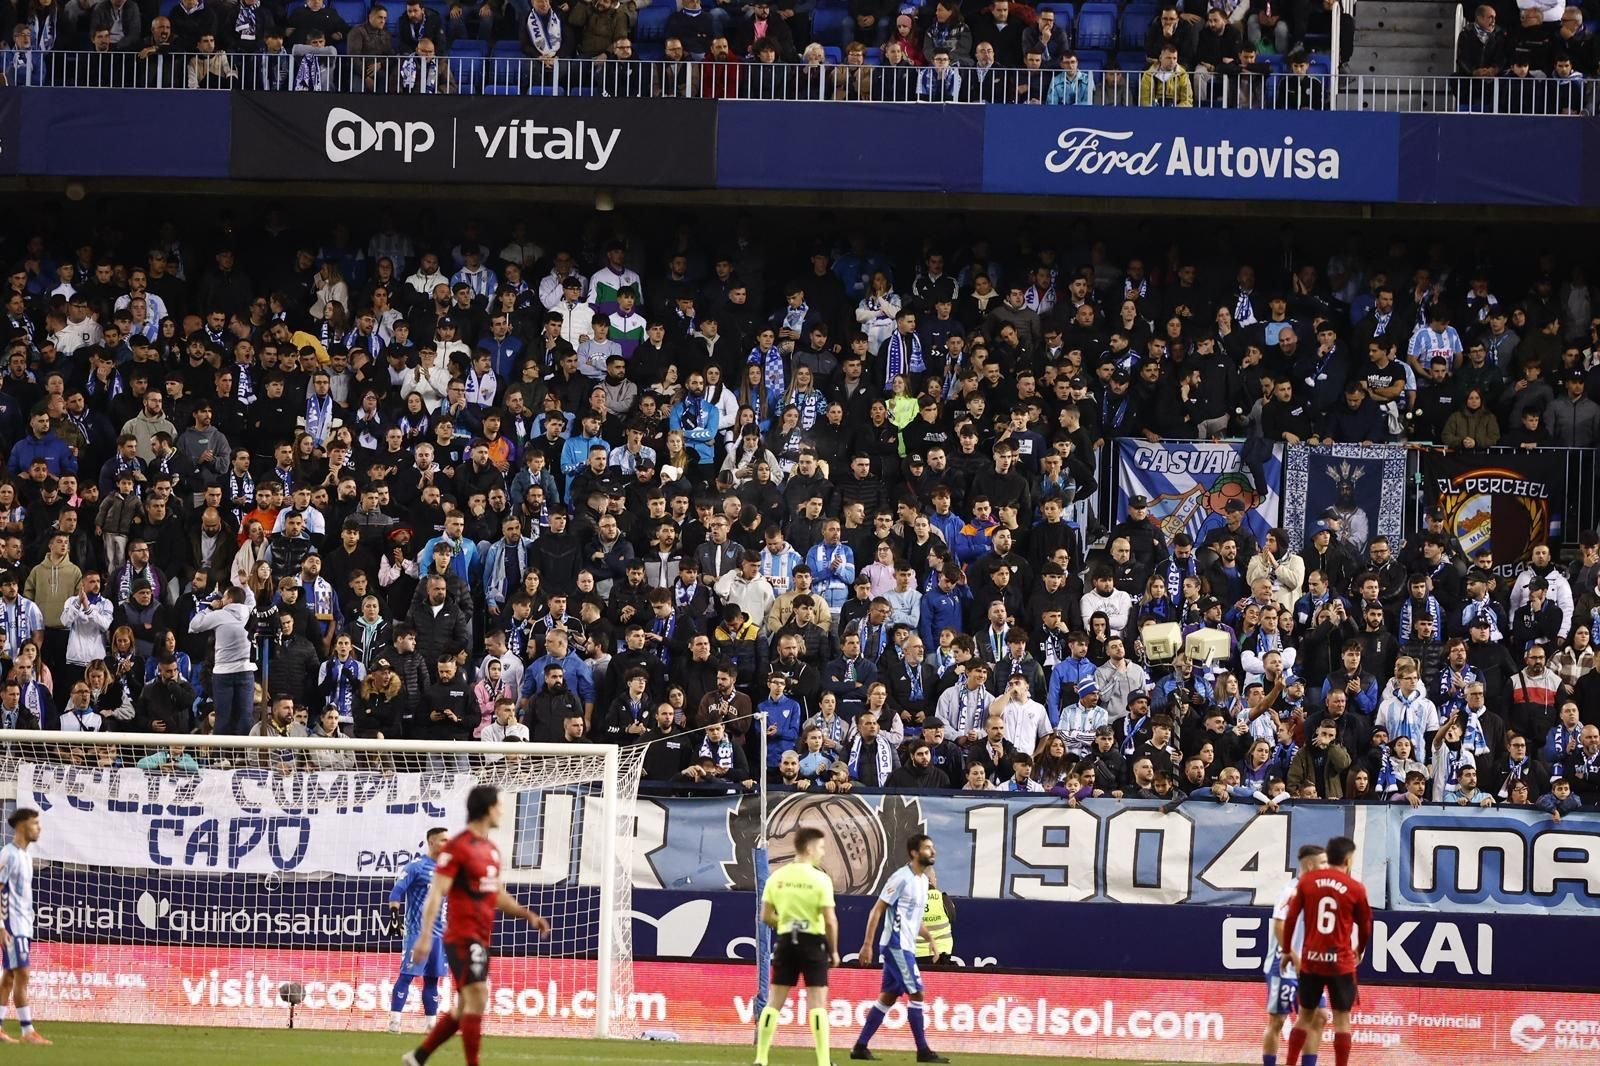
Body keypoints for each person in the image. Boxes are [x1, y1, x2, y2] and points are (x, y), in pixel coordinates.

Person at [403, 785, 551, 1066]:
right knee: (478, 996)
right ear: (487, 808)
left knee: (463, 1007)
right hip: (461, 936)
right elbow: (436, 892)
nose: (503, 811)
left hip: (481, 938)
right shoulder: (458, 847)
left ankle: (418, 1057)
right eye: (500, 805)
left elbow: (497, 894)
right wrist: (424, 936)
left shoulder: (492, 850)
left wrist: (526, 914)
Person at [851, 833, 948, 1064]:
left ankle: (860, 1046)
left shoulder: (924, 881)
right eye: (927, 848)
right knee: (917, 992)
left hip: (906, 945)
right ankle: (923, 1051)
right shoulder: (900, 878)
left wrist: (931, 940)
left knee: (888, 998)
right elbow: (877, 910)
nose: (932, 852)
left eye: (932, 848)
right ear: (914, 853)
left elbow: (913, 918)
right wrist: (867, 944)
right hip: (896, 945)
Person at [1281, 836, 1373, 1066]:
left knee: (1304, 1018)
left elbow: (1291, 918)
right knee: (1342, 1020)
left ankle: (1290, 1063)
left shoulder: (1308, 882)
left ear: (1328, 856)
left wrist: (1286, 950)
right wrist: (1359, 949)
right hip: (1341, 962)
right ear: (1348, 859)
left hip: (1312, 960)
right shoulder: (1355, 888)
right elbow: (1366, 926)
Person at [754, 825, 839, 1066]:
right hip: (813, 942)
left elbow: (766, 916)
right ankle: (823, 1062)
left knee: (774, 1002)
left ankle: (761, 1058)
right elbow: (831, 920)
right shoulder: (820, 879)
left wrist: (786, 923)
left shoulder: (777, 877)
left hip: (786, 941)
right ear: (810, 848)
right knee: (817, 1003)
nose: (823, 852)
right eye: (821, 847)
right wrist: (833, 950)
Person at [1263, 844, 1329, 1066]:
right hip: (1284, 965)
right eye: (1323, 862)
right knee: (1278, 1020)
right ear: (1310, 865)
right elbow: (1279, 926)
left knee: (1319, 1017)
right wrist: (1292, 955)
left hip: (1310, 967)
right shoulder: (1291, 891)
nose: (1327, 866)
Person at [387, 826, 449, 1034]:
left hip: (440, 936)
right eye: (443, 840)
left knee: (432, 980)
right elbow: (397, 891)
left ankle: (431, 1026)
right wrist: (394, 915)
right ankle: (394, 1022)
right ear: (431, 842)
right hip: (417, 933)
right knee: (407, 976)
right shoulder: (417, 866)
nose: (447, 844)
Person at [0, 808, 46, 1045]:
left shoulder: (26, 856)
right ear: (21, 826)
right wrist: (0, 925)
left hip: (24, 925)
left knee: (9, 976)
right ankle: (27, 1031)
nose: (38, 828)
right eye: (34, 823)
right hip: (12, 926)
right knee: (22, 974)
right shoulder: (7, 854)